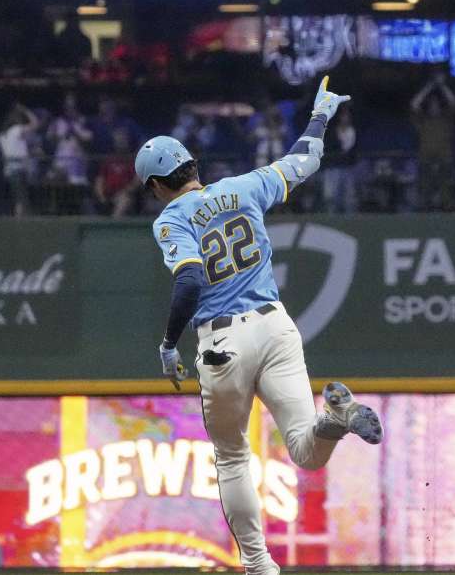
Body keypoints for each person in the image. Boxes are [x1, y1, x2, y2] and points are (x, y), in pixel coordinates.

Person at [135, 77, 383, 575]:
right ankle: (335, 417)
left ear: (158, 186)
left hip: (222, 341)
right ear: (195, 167)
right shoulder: (243, 187)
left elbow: (188, 280)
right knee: (307, 451)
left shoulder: (170, 219)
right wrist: (320, 115)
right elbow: (304, 161)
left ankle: (257, 564)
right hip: (275, 327)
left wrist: (167, 343)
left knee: (231, 456)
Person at [410, 72, 455, 211]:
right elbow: (414, 104)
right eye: (431, 104)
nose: (434, 106)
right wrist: (429, 87)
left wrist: (442, 86)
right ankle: (425, 208)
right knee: (425, 186)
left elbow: (453, 102)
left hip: (444, 157)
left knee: (446, 186)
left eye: (436, 104)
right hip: (425, 157)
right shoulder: (423, 121)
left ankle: (448, 208)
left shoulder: (446, 120)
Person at [0, 104, 39, 217]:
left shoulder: (2, 135)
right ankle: (20, 224)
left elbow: (15, 150)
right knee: (22, 200)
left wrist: (30, 153)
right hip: (18, 169)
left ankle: (19, 221)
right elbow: (35, 124)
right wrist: (26, 110)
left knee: (19, 199)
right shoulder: (16, 130)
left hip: (9, 170)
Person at [93, 128, 140, 217]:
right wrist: (101, 196)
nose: (120, 143)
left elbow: (137, 180)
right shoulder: (108, 161)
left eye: (123, 140)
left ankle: (113, 224)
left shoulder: (131, 161)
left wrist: (128, 190)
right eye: (118, 140)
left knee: (124, 200)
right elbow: (99, 180)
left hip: (124, 194)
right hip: (108, 195)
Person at [322, 109, 358, 213]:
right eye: (343, 116)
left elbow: (350, 149)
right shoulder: (332, 132)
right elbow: (328, 147)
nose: (345, 119)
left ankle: (349, 219)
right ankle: (331, 217)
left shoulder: (352, 131)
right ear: (339, 118)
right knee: (330, 196)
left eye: (347, 117)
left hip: (347, 167)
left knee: (348, 197)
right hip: (332, 166)